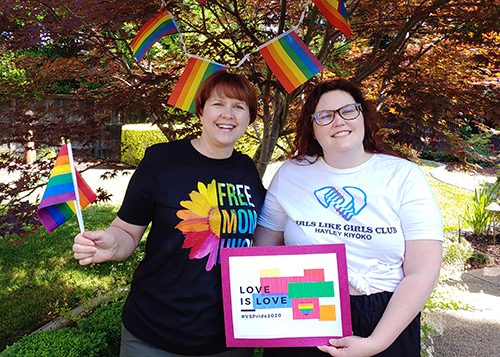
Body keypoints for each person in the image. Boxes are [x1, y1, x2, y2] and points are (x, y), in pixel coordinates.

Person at [73, 71, 266, 357]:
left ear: (249, 118)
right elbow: (126, 230)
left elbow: (261, 242)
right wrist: (113, 243)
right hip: (155, 333)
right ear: (201, 111)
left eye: (239, 106)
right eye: (218, 104)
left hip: (228, 335)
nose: (228, 114)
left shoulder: (246, 170)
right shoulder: (161, 160)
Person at [253, 79, 443, 357]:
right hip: (303, 307)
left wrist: (375, 343)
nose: (338, 121)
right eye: (325, 116)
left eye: (348, 110)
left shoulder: (403, 176)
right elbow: (263, 252)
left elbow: (422, 271)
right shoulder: (291, 174)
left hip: (383, 317)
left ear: (363, 117)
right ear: (313, 129)